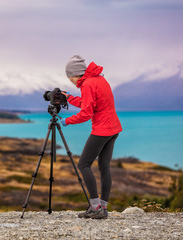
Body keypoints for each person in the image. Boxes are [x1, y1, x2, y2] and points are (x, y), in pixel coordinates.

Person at [60, 55, 122, 219]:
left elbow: (86, 113)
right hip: (114, 128)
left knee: (84, 164)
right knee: (104, 167)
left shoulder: (87, 84)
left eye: (69, 77)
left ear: (75, 74)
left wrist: (66, 121)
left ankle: (95, 207)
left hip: (102, 129)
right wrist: (69, 98)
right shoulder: (99, 79)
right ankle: (103, 208)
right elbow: (90, 103)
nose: (70, 80)